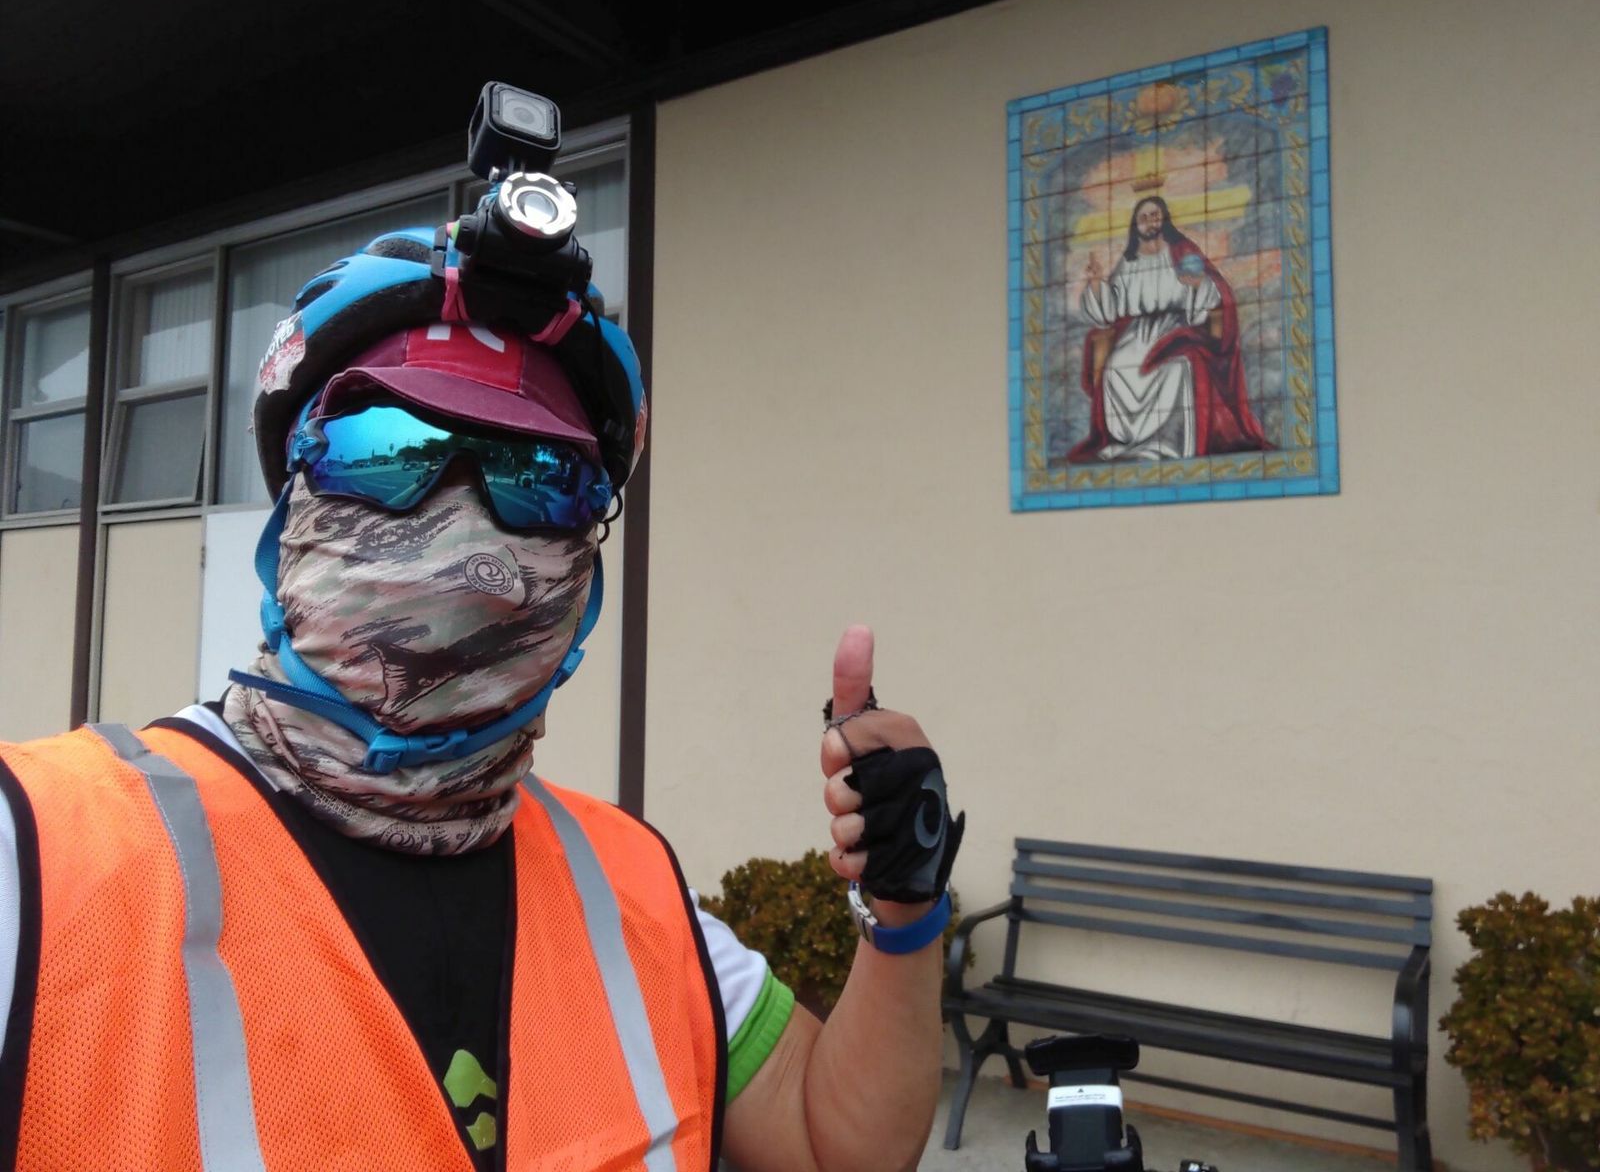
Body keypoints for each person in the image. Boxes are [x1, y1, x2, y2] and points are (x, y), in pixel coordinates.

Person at [0, 224, 961, 1171]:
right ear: (291, 505)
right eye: (385, 444)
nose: (462, 524)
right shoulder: (38, 855)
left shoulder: (635, 896)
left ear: (585, 569)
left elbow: (831, 1142)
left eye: (539, 476)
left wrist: (904, 905)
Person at [1069, 195, 1268, 462]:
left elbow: (1212, 291)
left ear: (1164, 220)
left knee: (1176, 368)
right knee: (1116, 368)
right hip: (1137, 333)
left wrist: (1197, 284)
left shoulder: (1182, 252)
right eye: (1143, 218)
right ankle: (1130, 443)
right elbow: (1110, 310)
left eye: (1154, 216)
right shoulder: (1129, 262)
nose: (1149, 223)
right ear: (1135, 225)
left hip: (1176, 327)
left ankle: (1168, 444)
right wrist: (1096, 283)